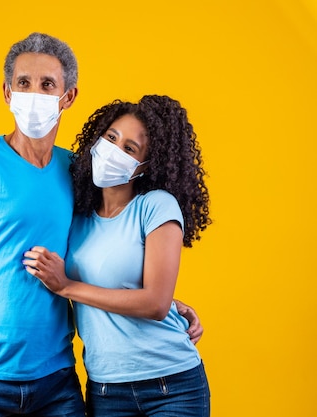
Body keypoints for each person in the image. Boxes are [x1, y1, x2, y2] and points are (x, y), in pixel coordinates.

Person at [0, 32, 203, 417]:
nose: (34, 94)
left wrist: (164, 301)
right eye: (24, 83)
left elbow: (101, 248)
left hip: (57, 381)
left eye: (47, 84)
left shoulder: (77, 173)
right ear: (7, 92)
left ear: (68, 96)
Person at [21, 95, 212, 416]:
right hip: (107, 389)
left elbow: (154, 304)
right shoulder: (76, 216)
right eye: (111, 138)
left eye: (129, 148)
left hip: (171, 384)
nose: (114, 150)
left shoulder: (156, 205)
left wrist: (66, 286)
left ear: (144, 166)